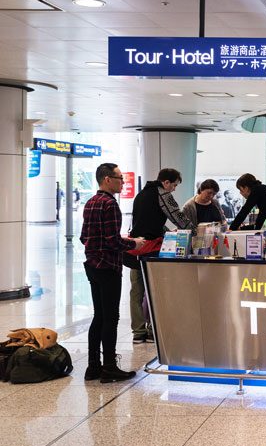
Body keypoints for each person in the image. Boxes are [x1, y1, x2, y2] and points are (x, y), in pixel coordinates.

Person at [80, 163, 144, 382]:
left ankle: (92, 367)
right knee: (111, 318)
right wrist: (134, 243)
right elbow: (112, 241)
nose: (122, 182)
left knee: (99, 316)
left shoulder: (90, 203)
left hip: (92, 265)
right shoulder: (110, 204)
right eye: (119, 178)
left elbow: (83, 237)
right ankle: (109, 367)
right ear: (107, 179)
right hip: (108, 267)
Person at [125, 168, 194, 344]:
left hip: (135, 247)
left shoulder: (141, 194)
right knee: (154, 289)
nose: (174, 190)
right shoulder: (163, 194)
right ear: (166, 182)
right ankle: (152, 330)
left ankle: (138, 332)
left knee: (136, 291)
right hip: (151, 250)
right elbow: (176, 215)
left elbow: (144, 222)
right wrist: (193, 230)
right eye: (175, 185)